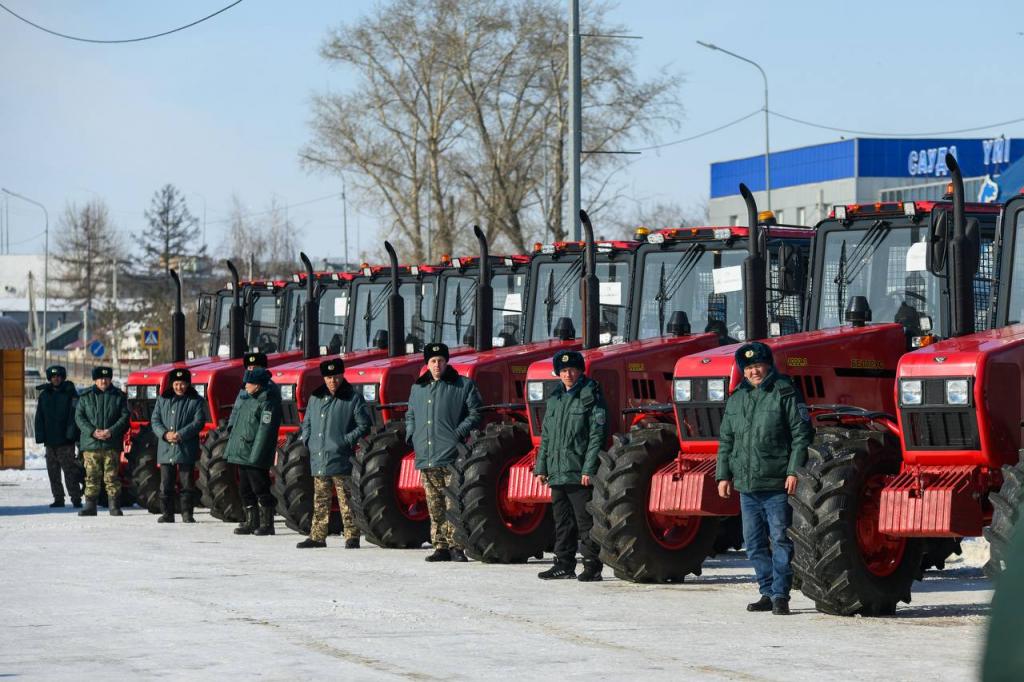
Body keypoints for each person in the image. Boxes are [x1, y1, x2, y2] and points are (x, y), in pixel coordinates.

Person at [716, 341, 812, 616]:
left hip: (776, 483)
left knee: (780, 539)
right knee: (754, 543)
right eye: (748, 368)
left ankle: (781, 594)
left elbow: (801, 435)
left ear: (768, 366)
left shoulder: (784, 392)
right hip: (747, 487)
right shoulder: (737, 398)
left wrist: (793, 471)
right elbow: (727, 440)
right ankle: (767, 592)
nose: (754, 371)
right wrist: (723, 475)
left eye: (758, 365)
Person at [533, 351, 607, 582]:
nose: (568, 374)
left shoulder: (590, 395)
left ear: (580, 370)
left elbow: (596, 435)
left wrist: (588, 469)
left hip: (578, 471)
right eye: (564, 370)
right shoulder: (555, 399)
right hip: (557, 472)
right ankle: (563, 565)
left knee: (585, 522)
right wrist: (541, 468)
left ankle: (592, 565)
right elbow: (546, 436)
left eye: (572, 370)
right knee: (562, 522)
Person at [406, 342, 482, 562]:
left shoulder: (463, 385)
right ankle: (440, 546)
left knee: (453, 502)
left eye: (440, 360)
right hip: (426, 454)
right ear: (427, 364)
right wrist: (412, 435)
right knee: (434, 503)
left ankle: (457, 546)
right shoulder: (418, 388)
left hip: (451, 455)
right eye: (432, 361)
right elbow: (410, 414)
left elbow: (476, 412)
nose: (437, 365)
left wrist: (458, 433)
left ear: (447, 362)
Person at [296, 358, 372, 549]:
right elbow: (307, 423)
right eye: (329, 377)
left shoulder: (353, 398)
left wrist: (345, 441)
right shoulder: (315, 398)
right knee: (320, 500)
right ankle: (317, 536)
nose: (333, 381)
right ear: (324, 378)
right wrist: (309, 441)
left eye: (336, 377)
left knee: (346, 500)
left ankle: (352, 536)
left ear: (342, 376)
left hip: (341, 458)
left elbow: (364, 425)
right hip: (319, 457)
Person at [224, 366, 282, 536]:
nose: (245, 386)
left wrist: (255, 456)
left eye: (248, 383)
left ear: (258, 385)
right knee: (245, 489)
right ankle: (251, 522)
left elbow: (265, 431)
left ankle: (267, 523)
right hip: (243, 453)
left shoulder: (267, 402)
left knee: (260, 487)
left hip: (255, 455)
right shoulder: (247, 399)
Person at [151, 368, 206, 524]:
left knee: (187, 483)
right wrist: (164, 434)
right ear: (171, 384)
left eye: (182, 384)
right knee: (166, 484)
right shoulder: (162, 400)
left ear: (188, 384)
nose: (179, 387)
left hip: (186, 448)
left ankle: (187, 514)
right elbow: (155, 420)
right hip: (166, 448)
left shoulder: (196, 401)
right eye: (176, 384)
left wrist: (181, 434)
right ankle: (167, 514)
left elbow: (198, 422)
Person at [75, 366, 130, 517]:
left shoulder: (118, 396)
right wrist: (92, 431)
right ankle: (90, 506)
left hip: (111, 444)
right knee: (91, 476)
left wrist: (111, 431)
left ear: (110, 379)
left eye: (106, 378)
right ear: (95, 380)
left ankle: (114, 506)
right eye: (100, 378)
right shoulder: (85, 396)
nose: (103, 381)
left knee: (112, 477)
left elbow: (125, 417)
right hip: (91, 444)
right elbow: (79, 417)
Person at [34, 365, 83, 508]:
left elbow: (75, 416)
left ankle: (76, 498)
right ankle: (58, 498)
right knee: (53, 472)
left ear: (63, 377)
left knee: (70, 471)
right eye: (53, 376)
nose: (56, 379)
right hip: (50, 441)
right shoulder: (44, 395)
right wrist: (40, 435)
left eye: (58, 376)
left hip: (65, 441)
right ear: (50, 378)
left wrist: (71, 434)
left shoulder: (70, 393)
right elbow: (39, 417)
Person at [227, 352, 269, 429]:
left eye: (255, 368)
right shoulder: (245, 387)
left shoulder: (267, 387)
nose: (252, 370)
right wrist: (230, 427)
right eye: (249, 368)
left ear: (262, 368)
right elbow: (236, 409)